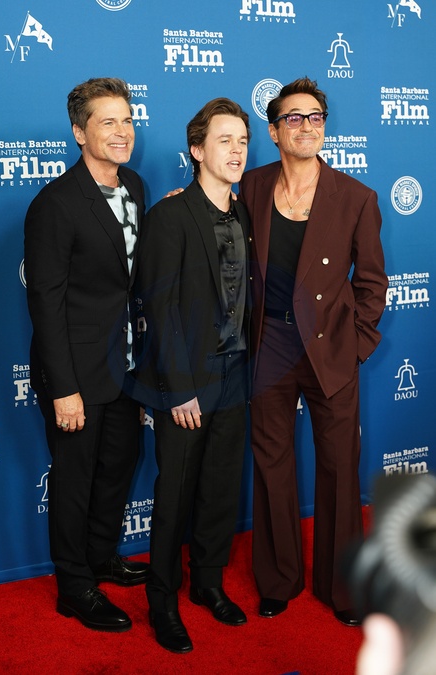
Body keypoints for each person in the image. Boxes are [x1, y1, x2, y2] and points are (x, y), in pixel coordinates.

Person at [238, 77, 388, 625]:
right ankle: (278, 579)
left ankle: (342, 588)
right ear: (274, 131)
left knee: (340, 469)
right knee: (271, 465)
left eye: (316, 117)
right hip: (269, 345)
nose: (307, 126)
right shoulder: (250, 187)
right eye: (294, 118)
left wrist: (356, 346)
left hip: (331, 349)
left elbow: (372, 282)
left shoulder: (356, 197)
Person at [24, 77, 149, 633]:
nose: (123, 132)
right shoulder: (55, 204)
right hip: (75, 372)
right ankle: (74, 587)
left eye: (127, 120)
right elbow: (45, 303)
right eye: (108, 122)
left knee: (118, 466)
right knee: (74, 481)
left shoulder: (136, 187)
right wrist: (64, 388)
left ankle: (101, 558)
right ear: (79, 132)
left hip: (124, 366)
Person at [133, 98, 251, 653]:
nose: (236, 151)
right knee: (175, 494)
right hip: (186, 381)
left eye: (243, 141)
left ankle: (207, 583)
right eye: (224, 140)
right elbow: (159, 308)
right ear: (197, 150)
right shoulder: (170, 216)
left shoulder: (244, 214)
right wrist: (179, 389)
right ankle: (162, 601)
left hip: (236, 374)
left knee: (220, 489)